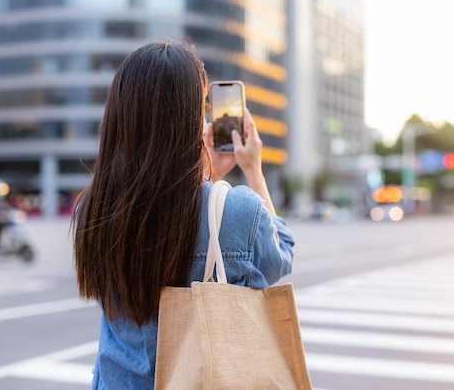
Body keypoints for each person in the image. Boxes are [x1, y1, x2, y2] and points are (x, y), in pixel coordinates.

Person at [72, 40, 294, 389]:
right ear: (191, 117)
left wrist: (210, 175)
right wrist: (254, 171)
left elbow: (164, 214)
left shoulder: (93, 208)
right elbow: (280, 256)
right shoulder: (238, 210)